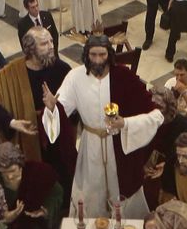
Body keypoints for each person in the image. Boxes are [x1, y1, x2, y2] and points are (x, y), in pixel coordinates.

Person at [42, 34, 163, 218]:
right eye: (93, 55)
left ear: (109, 54)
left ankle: (125, 228)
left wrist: (126, 123)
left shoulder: (123, 76)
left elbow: (155, 115)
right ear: (86, 55)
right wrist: (52, 109)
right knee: (91, 190)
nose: (98, 60)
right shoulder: (75, 78)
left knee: (121, 188)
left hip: (119, 145)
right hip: (90, 145)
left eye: (102, 55)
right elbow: (59, 113)